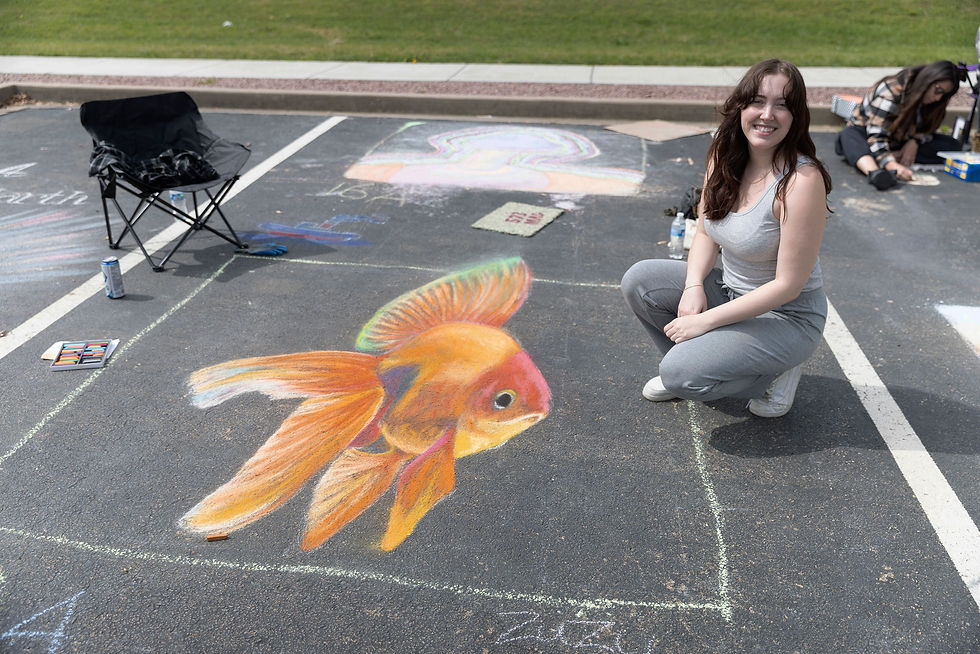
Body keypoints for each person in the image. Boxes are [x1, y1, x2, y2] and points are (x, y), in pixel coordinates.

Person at [621, 58, 832, 418]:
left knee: (679, 375)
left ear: (796, 117)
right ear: (740, 106)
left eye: (782, 105)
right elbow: (705, 228)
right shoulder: (725, 153)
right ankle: (694, 365)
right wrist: (693, 286)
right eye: (757, 101)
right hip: (733, 294)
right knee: (639, 280)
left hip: (786, 317)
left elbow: (787, 286)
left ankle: (771, 373)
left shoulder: (801, 182)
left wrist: (703, 322)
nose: (767, 114)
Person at [835, 60, 962, 190]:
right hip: (868, 136)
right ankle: (875, 172)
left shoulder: (934, 102)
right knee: (849, 135)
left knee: (952, 146)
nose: (938, 98)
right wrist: (892, 165)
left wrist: (914, 142)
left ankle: (886, 156)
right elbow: (876, 136)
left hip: (900, 140)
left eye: (944, 95)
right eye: (938, 90)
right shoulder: (891, 91)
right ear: (927, 80)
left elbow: (928, 129)